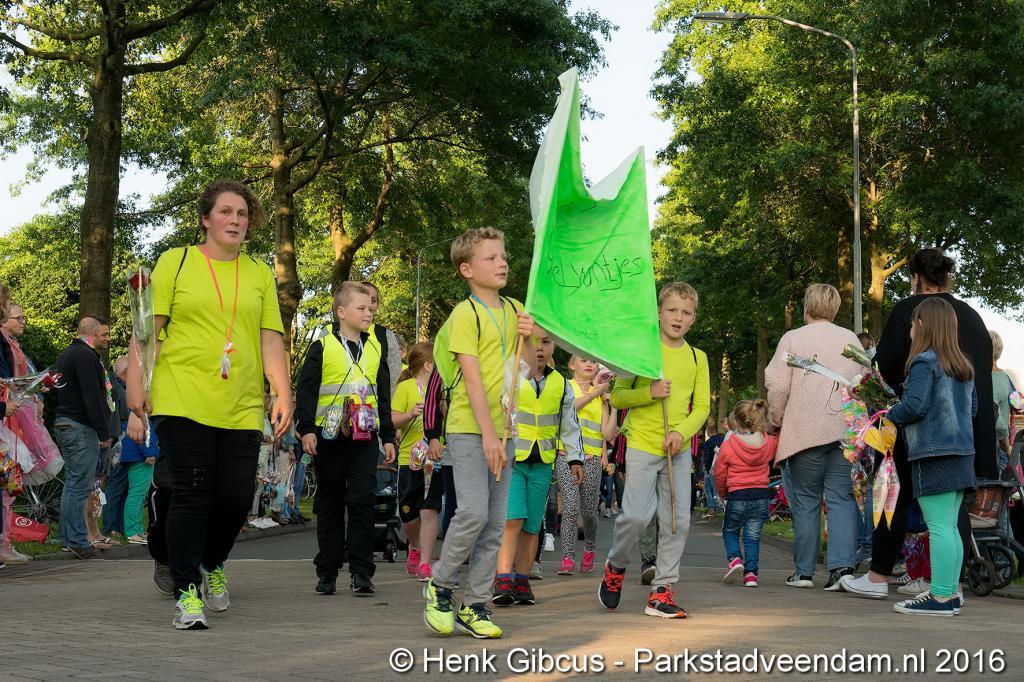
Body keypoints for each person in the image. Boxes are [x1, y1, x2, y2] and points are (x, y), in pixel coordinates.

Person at [126, 179, 293, 630]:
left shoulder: (258, 273)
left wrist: (282, 392)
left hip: (240, 402)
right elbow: (147, 329)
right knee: (192, 491)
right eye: (226, 212)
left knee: (236, 498)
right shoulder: (176, 262)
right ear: (206, 219)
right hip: (181, 396)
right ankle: (186, 591)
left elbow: (270, 338)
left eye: (242, 214)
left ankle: (212, 562)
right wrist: (135, 386)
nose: (235, 220)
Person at [841, 249, 994, 600]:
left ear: (915, 278)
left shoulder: (912, 312)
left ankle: (879, 575)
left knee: (893, 494)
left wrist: (885, 414)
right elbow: (977, 389)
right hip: (965, 435)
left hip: (917, 433)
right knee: (951, 512)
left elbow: (886, 370)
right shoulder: (972, 317)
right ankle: (950, 584)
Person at [423, 227, 533, 639]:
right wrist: (487, 435)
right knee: (473, 512)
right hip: (471, 429)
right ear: (467, 269)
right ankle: (441, 586)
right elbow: (470, 381)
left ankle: (476, 604)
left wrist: (527, 336)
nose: (502, 263)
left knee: (496, 522)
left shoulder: (516, 308)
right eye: (491, 258)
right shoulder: (463, 315)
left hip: (507, 430)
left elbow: (526, 367)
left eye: (503, 256)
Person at [599, 282, 711, 619]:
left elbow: (702, 408)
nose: (678, 317)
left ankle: (662, 590)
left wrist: (681, 433)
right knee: (636, 517)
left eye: (686, 312)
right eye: (672, 310)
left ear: (694, 318)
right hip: (642, 444)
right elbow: (619, 397)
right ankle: (616, 565)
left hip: (677, 450)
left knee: (677, 521)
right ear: (659, 312)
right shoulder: (641, 351)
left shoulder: (698, 358)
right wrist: (649, 392)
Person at [296, 281, 396, 596]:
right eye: (361, 308)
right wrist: (307, 429)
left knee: (363, 500)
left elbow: (383, 395)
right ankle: (327, 571)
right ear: (341, 311)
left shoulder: (376, 347)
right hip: (329, 436)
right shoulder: (322, 346)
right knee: (330, 503)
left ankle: (362, 571)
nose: (369, 313)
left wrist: (388, 436)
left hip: (364, 436)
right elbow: (307, 391)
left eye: (370, 308)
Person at [765, 283, 862, 590]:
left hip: (805, 432)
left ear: (807, 306)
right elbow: (863, 382)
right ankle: (842, 569)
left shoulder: (792, 338)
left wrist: (777, 418)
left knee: (806, 502)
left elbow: (778, 385)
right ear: (835, 308)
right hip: (843, 431)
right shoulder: (850, 339)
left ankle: (804, 573)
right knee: (841, 499)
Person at [884, 298, 976, 616]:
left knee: (938, 527)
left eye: (912, 323)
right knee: (949, 527)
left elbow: (915, 406)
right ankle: (949, 593)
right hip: (962, 453)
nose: (910, 328)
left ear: (922, 325)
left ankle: (939, 597)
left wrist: (889, 413)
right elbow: (974, 409)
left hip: (933, 454)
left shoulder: (923, 362)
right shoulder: (963, 366)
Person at [493, 326, 583, 605]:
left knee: (532, 524)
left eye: (545, 342)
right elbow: (497, 408)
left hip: (543, 462)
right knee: (513, 518)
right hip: (513, 459)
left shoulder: (562, 385)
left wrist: (575, 458)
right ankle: (502, 578)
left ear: (554, 346)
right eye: (532, 343)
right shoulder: (511, 377)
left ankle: (522, 580)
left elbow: (569, 424)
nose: (539, 348)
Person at [54, 317, 111, 559]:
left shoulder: (66, 354)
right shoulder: (86, 357)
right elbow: (92, 396)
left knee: (73, 483)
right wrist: (103, 431)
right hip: (80, 426)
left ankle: (68, 538)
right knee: (80, 485)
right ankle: (78, 540)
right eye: (104, 334)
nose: (107, 339)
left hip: (65, 422)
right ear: (93, 333)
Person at [557, 355, 615, 576]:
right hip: (565, 455)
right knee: (570, 507)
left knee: (589, 512)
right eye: (583, 360)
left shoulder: (601, 394)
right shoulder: (566, 386)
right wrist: (595, 394)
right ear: (572, 365)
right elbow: (569, 409)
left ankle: (589, 550)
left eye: (593, 361)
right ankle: (567, 558)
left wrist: (614, 405)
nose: (589, 364)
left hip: (591, 459)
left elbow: (607, 433)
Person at [715, 400, 778, 588]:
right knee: (752, 537)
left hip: (737, 494)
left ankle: (735, 559)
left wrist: (722, 493)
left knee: (730, 530)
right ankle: (751, 575)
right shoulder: (768, 443)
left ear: (736, 421)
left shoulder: (728, 446)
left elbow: (720, 473)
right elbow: (777, 441)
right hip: (761, 495)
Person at [392, 341, 441, 581]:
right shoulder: (406, 388)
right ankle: (415, 545)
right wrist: (410, 413)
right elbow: (392, 420)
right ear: (428, 365)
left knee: (429, 508)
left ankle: (424, 562)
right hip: (409, 459)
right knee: (408, 512)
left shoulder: (441, 389)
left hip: (433, 459)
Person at [101, 355, 131, 541]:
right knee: (116, 483)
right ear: (125, 372)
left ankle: (118, 525)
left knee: (123, 484)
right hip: (118, 439)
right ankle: (111, 526)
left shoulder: (120, 385)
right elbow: (112, 412)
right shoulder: (113, 386)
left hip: (124, 437)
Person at [362, 281, 403, 395]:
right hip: (332, 405)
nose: (369, 305)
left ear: (377, 306)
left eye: (373, 300)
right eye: (364, 299)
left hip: (374, 405)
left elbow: (394, 378)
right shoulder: (331, 331)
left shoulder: (386, 336)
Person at [990, 331, 1013, 473]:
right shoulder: (1005, 376)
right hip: (1002, 446)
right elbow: (1018, 403)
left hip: (997, 447)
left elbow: (997, 422)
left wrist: (1007, 447)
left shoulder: (986, 379)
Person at [700, 420, 728, 519]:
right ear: (715, 430)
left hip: (710, 468)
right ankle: (720, 507)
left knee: (708, 489)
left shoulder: (707, 443)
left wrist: (707, 469)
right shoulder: (722, 439)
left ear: (707, 432)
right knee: (717, 489)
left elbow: (706, 458)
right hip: (721, 467)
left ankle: (711, 508)